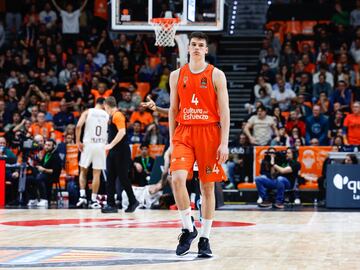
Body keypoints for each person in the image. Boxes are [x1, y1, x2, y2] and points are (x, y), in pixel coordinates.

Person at [168, 32, 229, 258]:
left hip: (210, 133)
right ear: (188, 48)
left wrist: (224, 143)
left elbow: (225, 111)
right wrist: (171, 141)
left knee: (207, 188)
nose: (196, 48)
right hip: (183, 132)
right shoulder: (176, 75)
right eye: (193, 44)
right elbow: (173, 110)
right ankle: (188, 227)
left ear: (206, 49)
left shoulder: (216, 75)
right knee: (176, 179)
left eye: (200, 45)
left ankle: (205, 238)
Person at [102, 96, 139, 213]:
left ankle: (133, 201)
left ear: (107, 106)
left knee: (123, 178)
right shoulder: (112, 116)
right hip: (114, 151)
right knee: (111, 178)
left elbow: (122, 132)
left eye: (105, 107)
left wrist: (111, 145)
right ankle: (111, 204)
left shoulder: (117, 115)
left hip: (121, 151)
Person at [75, 97, 109, 209]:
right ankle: (94, 201)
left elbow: (79, 126)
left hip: (88, 144)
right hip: (101, 145)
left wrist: (78, 141)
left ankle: (82, 197)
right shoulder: (107, 114)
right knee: (96, 174)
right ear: (104, 103)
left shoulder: (87, 112)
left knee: (83, 171)